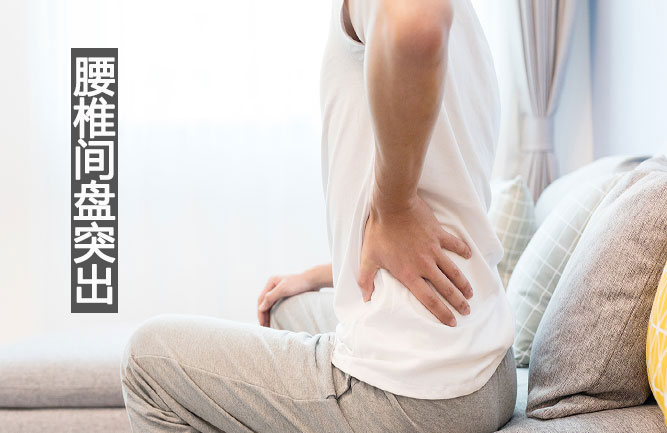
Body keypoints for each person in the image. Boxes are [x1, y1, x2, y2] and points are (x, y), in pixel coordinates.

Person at [120, 0, 517, 431]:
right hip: (488, 372)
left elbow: (415, 19)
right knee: (284, 309)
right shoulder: (469, 31)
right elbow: (443, 212)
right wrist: (327, 273)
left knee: (146, 359)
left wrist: (396, 207)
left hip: (416, 392)